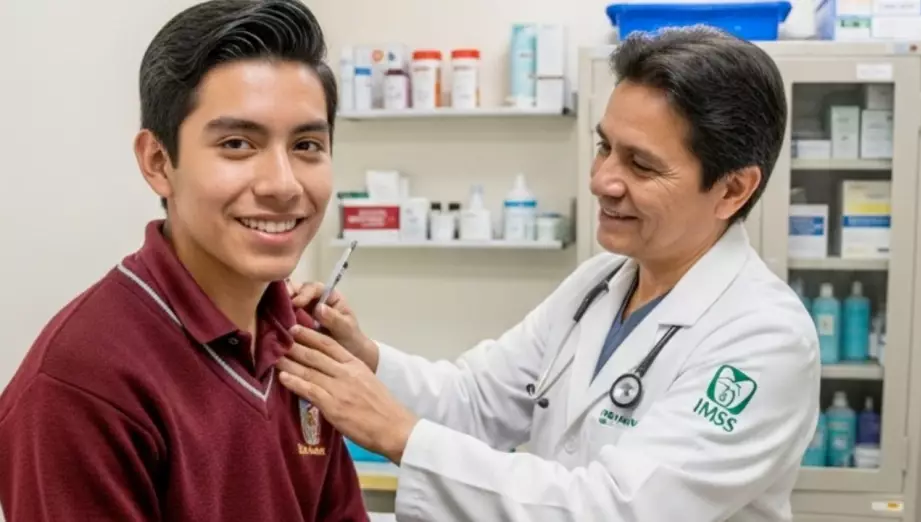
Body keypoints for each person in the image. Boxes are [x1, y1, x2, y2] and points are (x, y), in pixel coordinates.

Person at [278, 26, 822, 521]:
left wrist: (401, 437)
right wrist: (365, 357)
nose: (602, 179)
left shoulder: (765, 338)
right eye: (605, 147)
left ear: (732, 189)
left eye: (641, 165)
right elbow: (476, 398)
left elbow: (615, 509)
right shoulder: (600, 284)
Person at [0, 1, 368, 520]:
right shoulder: (81, 384)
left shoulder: (300, 345)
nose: (284, 185)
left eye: (307, 144)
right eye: (238, 144)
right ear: (157, 162)